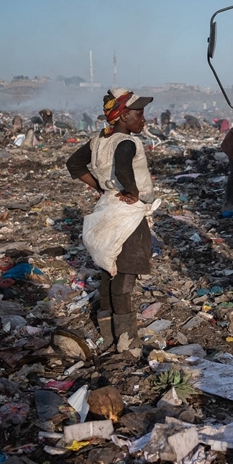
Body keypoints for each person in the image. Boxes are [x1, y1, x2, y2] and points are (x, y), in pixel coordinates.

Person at [66, 88, 155, 353]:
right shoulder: (127, 142)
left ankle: (107, 334)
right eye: (139, 114)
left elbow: (74, 165)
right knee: (125, 274)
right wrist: (133, 192)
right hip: (127, 214)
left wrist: (103, 189)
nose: (144, 120)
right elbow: (125, 167)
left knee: (109, 269)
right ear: (124, 115)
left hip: (107, 207)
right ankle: (127, 341)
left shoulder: (98, 141)